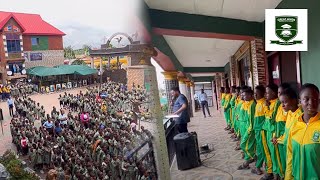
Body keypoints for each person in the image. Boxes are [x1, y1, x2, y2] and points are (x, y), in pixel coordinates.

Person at [285, 83, 320, 179]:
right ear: (300, 102)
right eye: (306, 99)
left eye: (315, 99)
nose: (311, 103)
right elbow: (290, 156)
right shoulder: (295, 125)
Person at [261, 84, 280, 180]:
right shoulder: (270, 102)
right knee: (268, 152)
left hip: (273, 132)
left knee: (274, 153)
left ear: (274, 93)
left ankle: (276, 174)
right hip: (267, 130)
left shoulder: (277, 103)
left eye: (267, 92)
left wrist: (266, 107)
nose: (265, 94)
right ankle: (270, 171)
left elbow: (272, 118)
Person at [237, 88, 256, 170]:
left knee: (245, 144)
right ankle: (248, 161)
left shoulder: (252, 104)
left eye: (244, 95)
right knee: (246, 145)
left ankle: (251, 159)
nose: (243, 96)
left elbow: (251, 120)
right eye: (242, 95)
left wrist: (249, 130)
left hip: (249, 128)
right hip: (244, 127)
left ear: (250, 95)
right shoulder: (246, 103)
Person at [251, 85, 266, 175]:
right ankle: (259, 166)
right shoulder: (258, 103)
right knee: (259, 149)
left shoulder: (264, 103)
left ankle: (258, 167)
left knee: (261, 150)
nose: (255, 95)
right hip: (257, 130)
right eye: (254, 93)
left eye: (257, 93)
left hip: (262, 131)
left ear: (263, 93)